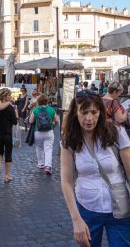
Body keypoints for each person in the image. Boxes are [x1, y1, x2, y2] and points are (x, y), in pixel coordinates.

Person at [61, 90, 130, 247]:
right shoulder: (69, 140)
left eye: (94, 112)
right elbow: (66, 182)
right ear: (75, 113)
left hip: (120, 209)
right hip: (87, 208)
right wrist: (76, 219)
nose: (89, 118)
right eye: (84, 112)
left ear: (101, 112)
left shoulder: (117, 133)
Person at [0, 88, 18, 183]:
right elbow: (15, 122)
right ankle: (6, 176)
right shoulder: (10, 107)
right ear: (5, 96)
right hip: (8, 133)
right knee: (8, 153)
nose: (10, 97)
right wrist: (15, 113)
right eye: (9, 95)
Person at [29, 94, 59, 174]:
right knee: (48, 149)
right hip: (49, 131)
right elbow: (57, 120)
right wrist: (53, 126)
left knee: (39, 148)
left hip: (37, 131)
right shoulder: (51, 109)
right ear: (47, 101)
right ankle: (48, 166)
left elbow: (31, 121)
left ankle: (41, 163)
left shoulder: (36, 110)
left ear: (38, 101)